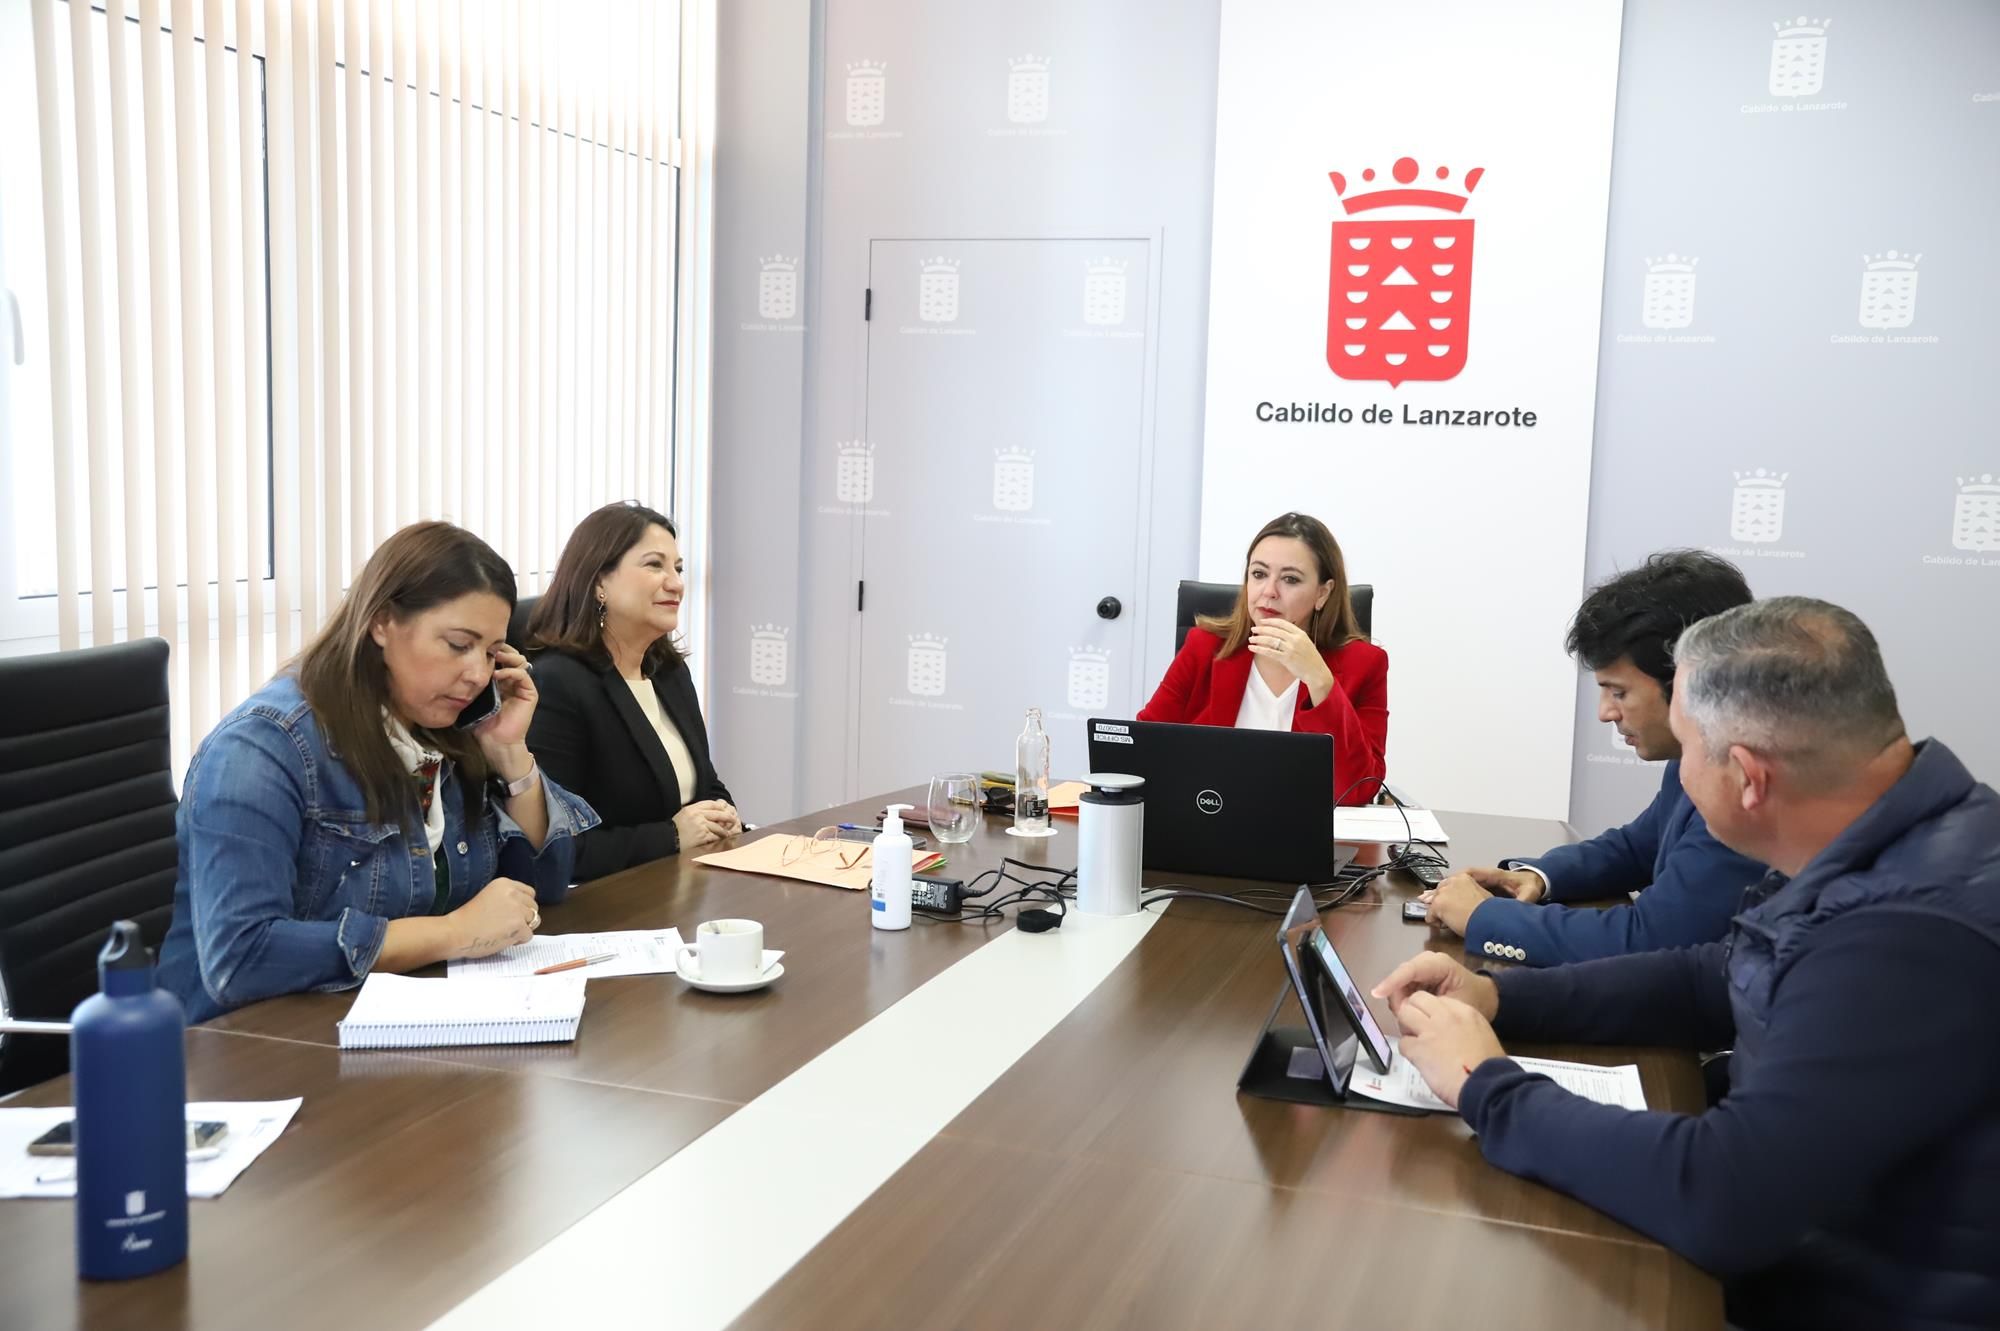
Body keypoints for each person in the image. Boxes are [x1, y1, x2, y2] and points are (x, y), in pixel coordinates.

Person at [1373, 598, 2000, 1331]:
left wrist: (1488, 1086)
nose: (1678, 773)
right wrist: (1498, 1000)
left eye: (1688, 746)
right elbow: (1714, 975)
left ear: (1747, 776)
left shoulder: (1907, 932)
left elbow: (1728, 1195)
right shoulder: (1892, 832)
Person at [157, 523, 599, 1022]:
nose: (477, 673)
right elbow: (241, 958)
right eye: (458, 644)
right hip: (245, 1049)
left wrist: (509, 752)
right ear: (382, 623)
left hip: (383, 1025)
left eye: (492, 652)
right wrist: (454, 932)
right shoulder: (263, 748)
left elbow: (549, 882)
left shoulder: (441, 732)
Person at [1424, 550, 1764, 965]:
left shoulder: (1745, 782)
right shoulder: (1699, 749)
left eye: (1618, 692)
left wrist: (1485, 917)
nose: (1605, 712)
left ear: (1691, 682)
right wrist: (1539, 876)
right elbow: (1639, 846)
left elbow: (1649, 941)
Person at [525, 503, 740, 881]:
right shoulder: (558, 684)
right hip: (606, 911)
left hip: (681, 889)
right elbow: (560, 848)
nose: (675, 583)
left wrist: (722, 811)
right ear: (599, 582)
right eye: (655, 565)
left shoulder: (670, 672)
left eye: (678, 568)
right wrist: (672, 836)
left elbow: (704, 781)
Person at [1138, 512, 1386, 804]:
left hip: (1305, 836)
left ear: (1323, 593)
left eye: (1290, 579)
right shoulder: (1203, 647)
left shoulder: (1366, 664)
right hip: (1211, 823)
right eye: (1258, 574)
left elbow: (1359, 789)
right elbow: (1143, 752)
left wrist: (1320, 681)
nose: (1268, 592)